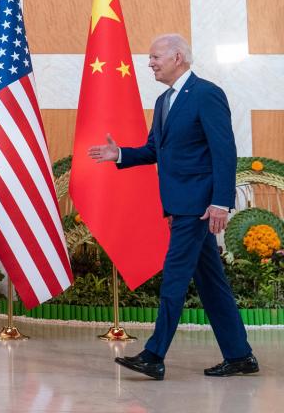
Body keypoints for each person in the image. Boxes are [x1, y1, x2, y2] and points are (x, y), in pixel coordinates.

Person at [88, 33, 257, 380]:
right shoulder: (165, 101)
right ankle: (240, 355)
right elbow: (154, 150)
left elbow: (224, 151)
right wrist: (119, 154)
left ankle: (154, 354)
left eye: (155, 58)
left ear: (177, 57)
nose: (150, 63)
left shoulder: (207, 94)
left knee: (175, 279)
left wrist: (220, 203)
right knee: (212, 283)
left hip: (198, 207)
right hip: (180, 205)